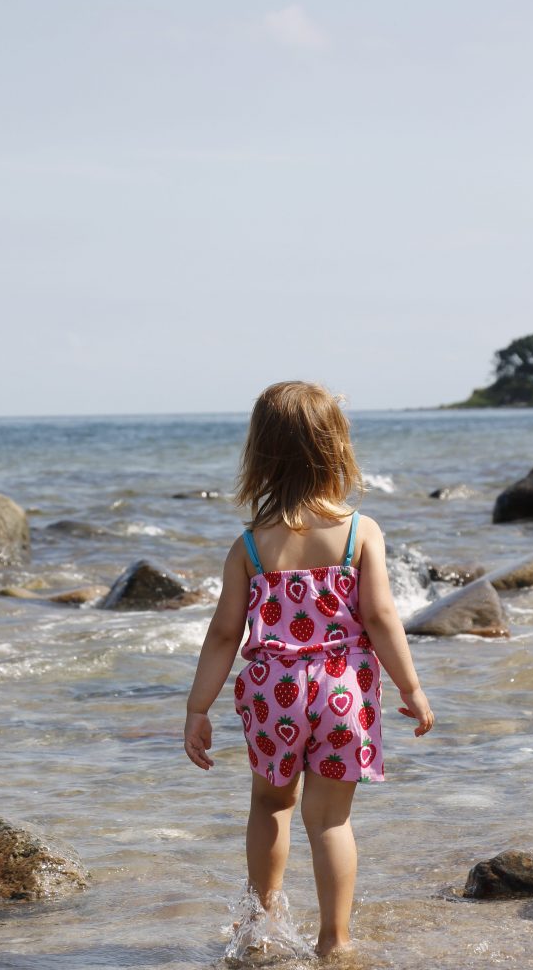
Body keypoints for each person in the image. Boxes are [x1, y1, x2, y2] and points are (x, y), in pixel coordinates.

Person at [184, 381, 434, 956]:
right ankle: (335, 941)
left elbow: (225, 633)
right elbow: (381, 615)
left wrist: (198, 708)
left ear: (261, 455)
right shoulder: (358, 533)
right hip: (343, 691)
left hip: (274, 692)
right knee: (330, 822)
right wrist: (411, 687)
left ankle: (260, 931)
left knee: (271, 805)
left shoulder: (250, 545)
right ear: (336, 448)